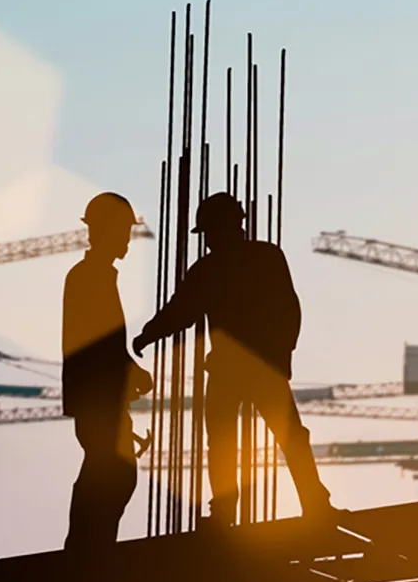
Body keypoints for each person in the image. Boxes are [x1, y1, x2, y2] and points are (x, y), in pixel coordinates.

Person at [132, 192, 335, 524]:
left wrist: (150, 334)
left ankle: (230, 510)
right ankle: (311, 503)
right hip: (255, 366)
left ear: (224, 227)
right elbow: (289, 309)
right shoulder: (261, 257)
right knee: (283, 437)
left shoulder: (221, 266)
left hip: (238, 367)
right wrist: (283, 356)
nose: (208, 240)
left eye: (210, 232)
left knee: (229, 440)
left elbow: (182, 312)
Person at [62, 192, 154, 551]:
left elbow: (103, 343)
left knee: (109, 470)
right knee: (110, 470)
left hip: (100, 394)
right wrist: (130, 372)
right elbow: (97, 341)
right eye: (123, 231)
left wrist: (129, 372)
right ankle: (86, 549)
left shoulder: (95, 275)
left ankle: (90, 547)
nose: (127, 239)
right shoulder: (90, 277)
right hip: (97, 396)